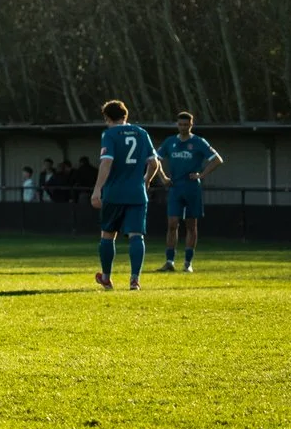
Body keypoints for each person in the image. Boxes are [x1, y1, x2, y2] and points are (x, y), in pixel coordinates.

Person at [91, 100, 164, 291]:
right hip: (137, 193)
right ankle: (134, 280)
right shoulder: (141, 133)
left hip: (114, 193)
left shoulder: (109, 134)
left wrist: (97, 189)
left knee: (107, 235)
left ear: (107, 117)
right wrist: (146, 180)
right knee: (136, 236)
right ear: (126, 115)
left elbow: (106, 163)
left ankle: (106, 278)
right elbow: (154, 164)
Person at [158, 113, 223, 273]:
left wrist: (201, 175)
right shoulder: (170, 142)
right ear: (177, 125)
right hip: (175, 188)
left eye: (186, 125)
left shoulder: (198, 142)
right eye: (180, 124)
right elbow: (155, 159)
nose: (183, 127)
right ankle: (169, 261)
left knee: (191, 225)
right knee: (172, 224)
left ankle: (187, 263)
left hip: (191, 188)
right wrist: (163, 177)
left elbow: (217, 160)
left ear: (191, 125)